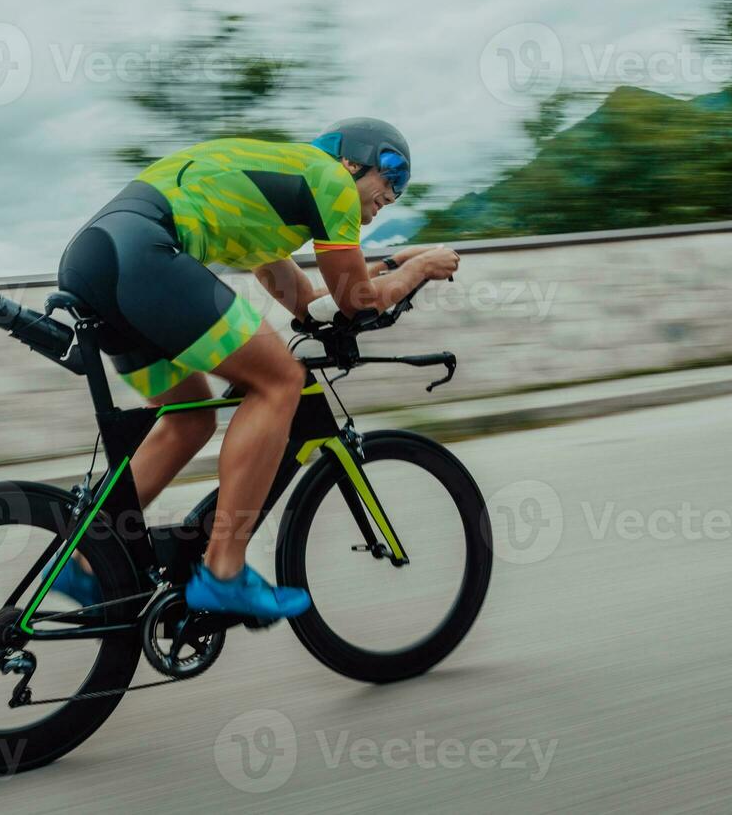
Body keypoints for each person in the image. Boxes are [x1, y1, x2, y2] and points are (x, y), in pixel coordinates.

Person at [53, 118, 460, 620]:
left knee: (189, 416)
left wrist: (396, 265)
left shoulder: (271, 215)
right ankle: (224, 570)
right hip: (139, 254)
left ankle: (87, 559)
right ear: (353, 160)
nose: (394, 195)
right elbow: (355, 302)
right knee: (280, 380)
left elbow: (311, 304)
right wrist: (421, 269)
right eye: (392, 176)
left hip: (99, 257)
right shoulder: (327, 177)